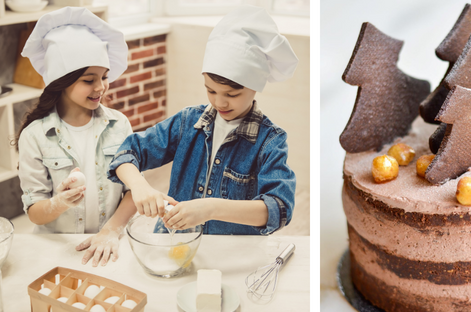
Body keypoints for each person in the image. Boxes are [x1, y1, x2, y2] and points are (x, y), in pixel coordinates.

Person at [107, 5, 299, 235]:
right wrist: (139, 186)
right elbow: (127, 152)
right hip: (174, 244)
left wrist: (210, 208)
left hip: (230, 254)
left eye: (232, 94)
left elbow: (279, 209)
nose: (220, 103)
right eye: (211, 91)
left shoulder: (270, 141)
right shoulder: (188, 122)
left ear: (256, 86)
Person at [15, 7, 135, 266]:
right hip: (58, 249)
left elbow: (133, 191)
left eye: (104, 77)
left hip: (110, 243)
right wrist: (59, 203)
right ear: (61, 81)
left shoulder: (119, 125)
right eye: (88, 80)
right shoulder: (35, 136)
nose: (101, 87)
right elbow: (35, 213)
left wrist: (110, 231)